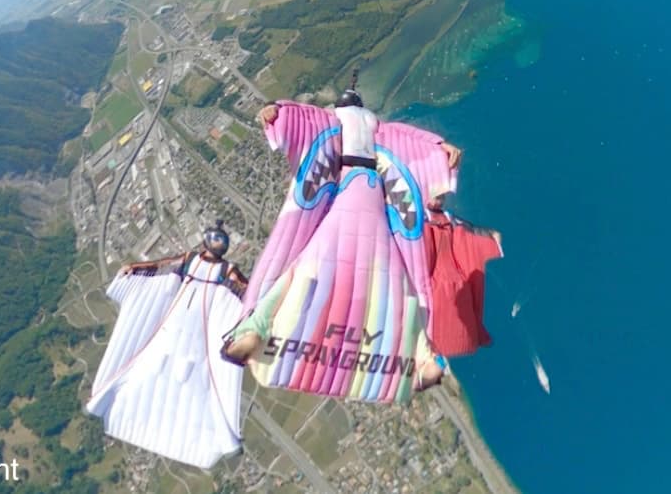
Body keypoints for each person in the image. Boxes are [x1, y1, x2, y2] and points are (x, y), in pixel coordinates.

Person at [221, 74, 462, 402]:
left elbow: (296, 116)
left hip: (344, 197)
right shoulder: (382, 131)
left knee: (299, 272)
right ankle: (424, 354)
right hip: (374, 202)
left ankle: (256, 328)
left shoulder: (331, 120)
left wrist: (273, 111)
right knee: (397, 281)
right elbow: (415, 142)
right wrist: (440, 148)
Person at [85, 221, 248, 469]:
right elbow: (163, 266)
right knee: (158, 366)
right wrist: (134, 269)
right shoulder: (200, 263)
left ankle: (218, 438)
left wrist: (134, 268)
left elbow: (161, 266)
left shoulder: (215, 267)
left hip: (196, 329)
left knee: (198, 377)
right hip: (181, 325)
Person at [423, 193, 504, 359]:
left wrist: (489, 236)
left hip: (446, 305)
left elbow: (485, 237)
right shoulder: (415, 220)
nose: (440, 196)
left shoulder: (449, 220)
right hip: (438, 305)